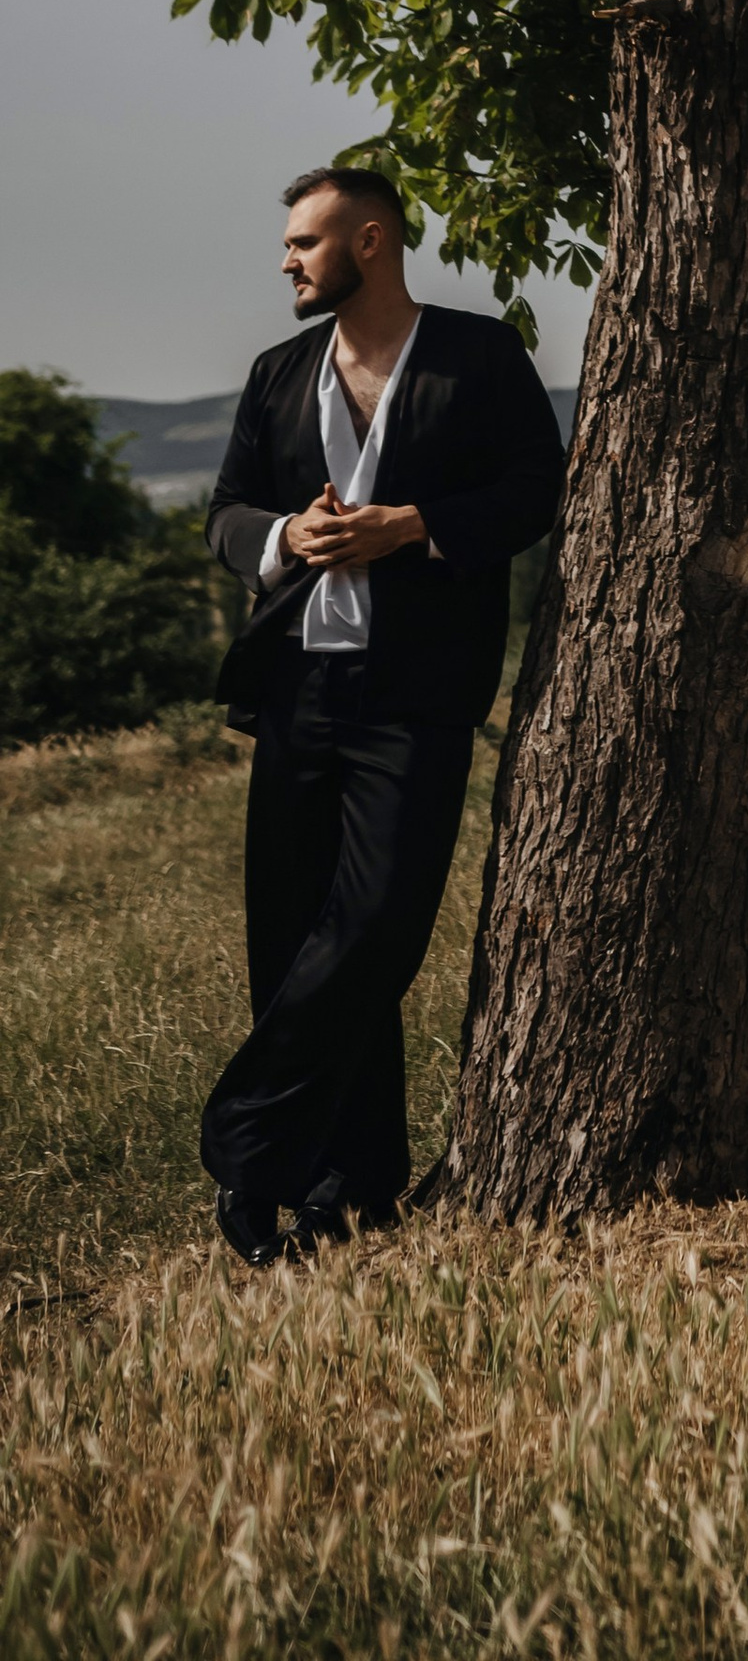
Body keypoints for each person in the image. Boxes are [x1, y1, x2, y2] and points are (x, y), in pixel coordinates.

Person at [199, 165, 566, 1266]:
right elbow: (223, 514)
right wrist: (281, 542)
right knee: (289, 940)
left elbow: (536, 488)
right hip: (296, 697)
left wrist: (412, 525)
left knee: (374, 933)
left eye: (305, 244)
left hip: (419, 699)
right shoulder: (276, 375)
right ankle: (347, 1192)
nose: (287, 263)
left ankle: (249, 1146)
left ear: (371, 242)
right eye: (286, 247)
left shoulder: (480, 356)